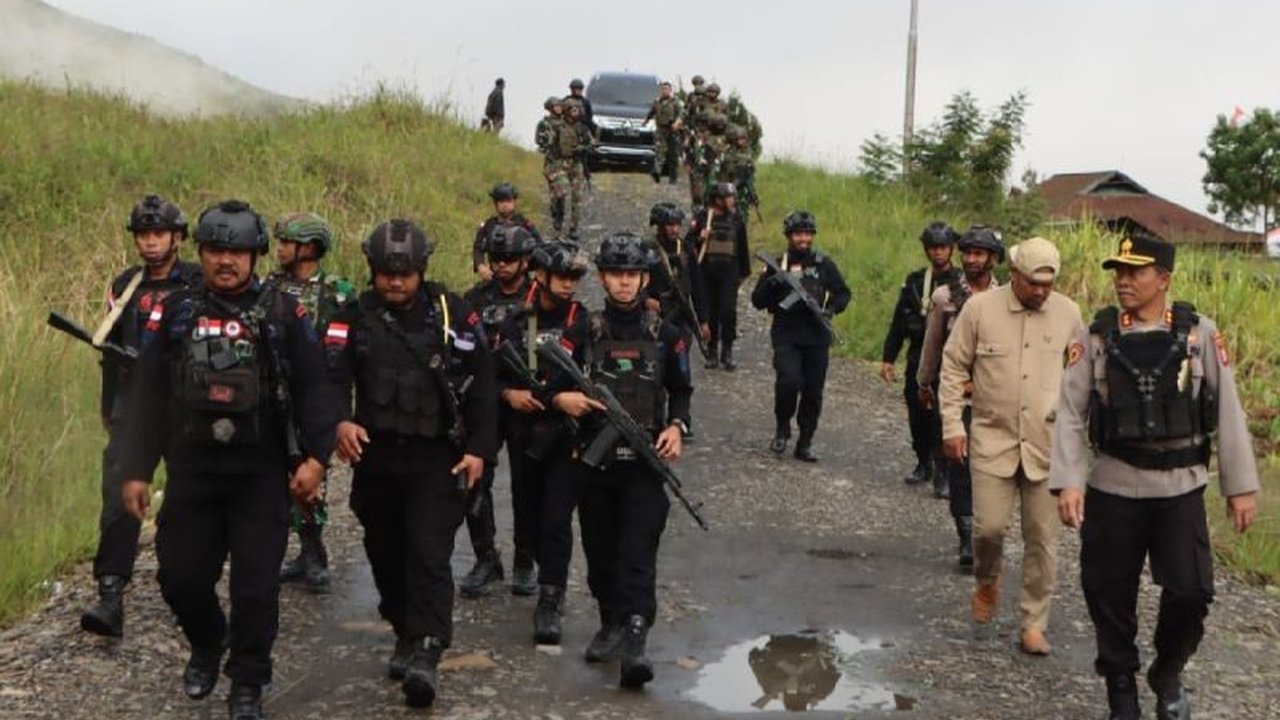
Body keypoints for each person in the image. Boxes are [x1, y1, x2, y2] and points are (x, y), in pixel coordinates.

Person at [118, 199, 338, 720]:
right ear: (201, 252)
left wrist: (317, 459)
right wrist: (136, 470)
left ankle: (247, 684)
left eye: (237, 252)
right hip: (193, 474)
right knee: (180, 579)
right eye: (216, 250)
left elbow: (316, 389)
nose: (225, 260)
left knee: (256, 590)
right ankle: (208, 641)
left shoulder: (283, 314)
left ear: (255, 255)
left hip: (259, 476)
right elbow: (147, 394)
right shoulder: (177, 312)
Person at [1049, 233, 1260, 720]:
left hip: (1180, 487)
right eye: (1118, 272)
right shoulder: (1095, 337)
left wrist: (1240, 487)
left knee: (1192, 590)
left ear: (1163, 278)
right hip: (1114, 485)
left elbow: (1229, 410)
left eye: (1135, 272)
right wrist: (1070, 480)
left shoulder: (1199, 335)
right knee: (1107, 591)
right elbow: (1071, 413)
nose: (1123, 281)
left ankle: (1168, 669)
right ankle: (1120, 687)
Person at [326, 219, 497, 708]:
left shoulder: (453, 313)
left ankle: (427, 648)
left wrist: (479, 449)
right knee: (385, 552)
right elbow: (329, 378)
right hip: (377, 460)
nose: (395, 283)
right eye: (386, 274)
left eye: (404, 274)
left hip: (436, 461)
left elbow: (484, 383)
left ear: (421, 270)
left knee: (428, 552)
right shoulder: (352, 317)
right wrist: (339, 421)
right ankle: (404, 627)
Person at [548, 232, 693, 689]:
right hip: (595, 465)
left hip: (643, 465)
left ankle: (635, 636)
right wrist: (562, 400)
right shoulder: (582, 331)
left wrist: (676, 428)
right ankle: (610, 621)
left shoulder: (666, 335)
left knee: (637, 550)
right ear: (603, 278)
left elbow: (682, 392)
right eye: (616, 274)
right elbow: (550, 383)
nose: (625, 282)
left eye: (632, 274)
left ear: (644, 278)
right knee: (600, 549)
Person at [939, 236, 1084, 657]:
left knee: (1043, 539)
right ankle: (987, 580)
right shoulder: (980, 309)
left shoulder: (1069, 314)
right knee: (988, 530)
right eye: (1033, 283)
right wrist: (952, 425)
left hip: (1046, 445)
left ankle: (1034, 622)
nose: (1040, 292)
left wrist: (1077, 450)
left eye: (1047, 285)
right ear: (1015, 274)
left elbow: (1080, 382)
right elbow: (953, 367)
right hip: (992, 439)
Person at [80, 194, 201, 638]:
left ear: (178, 237)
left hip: (186, 407)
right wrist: (109, 405)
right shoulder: (126, 285)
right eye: (143, 234)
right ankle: (111, 593)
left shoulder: (197, 281)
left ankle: (190, 589)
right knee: (118, 495)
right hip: (134, 407)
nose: (150, 242)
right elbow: (110, 351)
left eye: (159, 234)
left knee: (189, 499)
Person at [491, 239, 590, 644]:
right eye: (562, 277)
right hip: (525, 432)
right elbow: (490, 373)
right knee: (525, 502)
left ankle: (551, 597)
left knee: (557, 517)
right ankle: (523, 556)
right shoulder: (516, 322)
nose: (569, 285)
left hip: (565, 434)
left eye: (575, 278)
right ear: (541, 275)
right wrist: (507, 394)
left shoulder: (584, 323)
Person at [267, 211, 356, 596]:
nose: (281, 248)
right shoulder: (269, 287)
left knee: (313, 470)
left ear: (310, 248)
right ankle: (300, 550)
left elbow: (348, 347)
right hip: (276, 391)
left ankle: (315, 552)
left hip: (318, 393)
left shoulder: (337, 292)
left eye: (288, 242)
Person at [916, 224, 1003, 566]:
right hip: (958, 396)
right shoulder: (944, 297)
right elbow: (932, 344)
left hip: (995, 400)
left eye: (978, 254)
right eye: (967, 253)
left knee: (992, 469)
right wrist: (924, 383)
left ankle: (987, 530)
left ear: (993, 258)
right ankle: (967, 537)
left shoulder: (1006, 299)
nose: (971, 260)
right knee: (960, 466)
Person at [460, 223, 538, 598]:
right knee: (474, 482)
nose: (502, 264)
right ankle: (486, 557)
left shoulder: (538, 298)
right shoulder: (474, 299)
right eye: (496, 258)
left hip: (526, 404)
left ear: (525, 260)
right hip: (483, 402)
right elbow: (460, 351)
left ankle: (525, 559)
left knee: (528, 487)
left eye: (509, 258)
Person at [750, 211, 851, 462]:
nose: (803, 239)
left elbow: (843, 293)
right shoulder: (777, 264)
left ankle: (805, 441)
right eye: (798, 234)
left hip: (817, 337)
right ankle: (782, 427)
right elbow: (757, 301)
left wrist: (830, 309)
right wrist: (771, 284)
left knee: (813, 392)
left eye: (807, 234)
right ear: (789, 236)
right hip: (787, 335)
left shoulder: (824, 264)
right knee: (788, 381)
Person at [880, 222, 959, 489]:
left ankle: (943, 472)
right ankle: (923, 462)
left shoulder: (961, 283)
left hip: (951, 361)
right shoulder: (915, 282)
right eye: (933, 247)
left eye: (943, 247)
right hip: (918, 358)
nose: (938, 252)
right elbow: (898, 322)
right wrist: (888, 358)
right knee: (918, 415)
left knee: (942, 418)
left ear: (951, 249)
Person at [692, 182, 751, 370]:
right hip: (707, 273)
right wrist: (700, 237)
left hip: (729, 274)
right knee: (710, 313)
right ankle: (712, 351)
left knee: (728, 312)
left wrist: (744, 273)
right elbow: (687, 245)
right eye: (728, 197)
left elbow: (742, 247)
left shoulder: (737, 219)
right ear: (717, 199)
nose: (732, 201)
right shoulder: (703, 217)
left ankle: (727, 350)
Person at [646, 202, 710, 367]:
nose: (675, 229)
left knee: (680, 360)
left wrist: (703, 321)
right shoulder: (648, 250)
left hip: (681, 314)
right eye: (669, 225)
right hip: (656, 316)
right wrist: (645, 299)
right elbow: (637, 283)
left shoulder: (686, 249)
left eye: (677, 225)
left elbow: (698, 286)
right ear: (659, 226)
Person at [541, 100, 592, 239]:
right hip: (558, 163)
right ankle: (557, 222)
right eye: (572, 108)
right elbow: (545, 144)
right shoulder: (556, 126)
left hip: (576, 164)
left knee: (577, 198)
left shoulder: (582, 128)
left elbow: (590, 144)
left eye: (577, 108)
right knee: (560, 194)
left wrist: (582, 148)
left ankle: (573, 229)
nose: (575, 111)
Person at [471, 182, 541, 282]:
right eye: (501, 201)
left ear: (514, 202)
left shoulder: (525, 224)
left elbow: (539, 246)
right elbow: (478, 247)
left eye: (508, 201)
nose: (505, 205)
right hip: (495, 275)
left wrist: (528, 265)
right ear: (495, 204)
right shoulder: (488, 225)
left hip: (520, 276)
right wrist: (480, 266)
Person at [644, 81, 684, 184]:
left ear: (670, 90)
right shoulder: (657, 101)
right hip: (660, 130)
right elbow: (651, 112)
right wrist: (646, 121)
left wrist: (677, 123)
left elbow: (681, 114)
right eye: (663, 89)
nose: (664, 91)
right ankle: (657, 172)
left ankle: (673, 177)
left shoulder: (675, 102)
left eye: (666, 89)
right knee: (659, 151)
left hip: (672, 130)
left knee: (672, 154)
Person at [563, 78, 596, 189]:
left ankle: (586, 179)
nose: (577, 91)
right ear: (571, 89)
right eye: (575, 89)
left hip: (582, 131)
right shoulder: (566, 100)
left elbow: (589, 119)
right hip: (569, 131)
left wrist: (593, 134)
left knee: (583, 156)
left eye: (579, 89)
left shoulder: (586, 102)